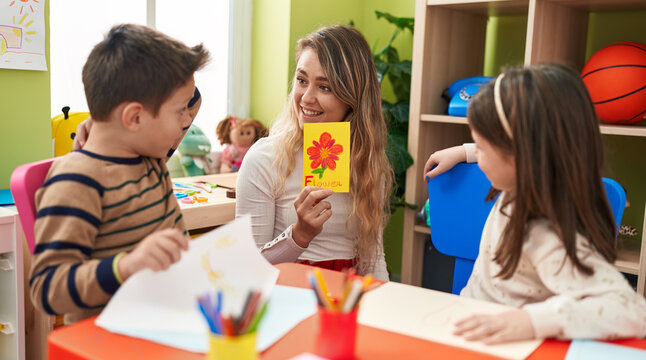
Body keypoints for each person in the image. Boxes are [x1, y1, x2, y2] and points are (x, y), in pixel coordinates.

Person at [423, 64, 646, 343]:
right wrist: (464, 152)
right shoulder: (521, 184)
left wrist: (532, 321)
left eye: (481, 146)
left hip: (508, 346)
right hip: (470, 328)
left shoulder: (545, 229)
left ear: (520, 152)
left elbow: (631, 311)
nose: (477, 157)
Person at [29, 24, 209, 323]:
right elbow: (47, 288)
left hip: (169, 321)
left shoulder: (149, 157)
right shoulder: (77, 181)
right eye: (181, 112)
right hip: (111, 341)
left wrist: (104, 120)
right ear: (135, 117)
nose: (187, 121)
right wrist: (126, 267)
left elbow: (193, 97)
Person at [235, 25, 393, 281]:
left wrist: (384, 310)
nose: (306, 98)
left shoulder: (367, 164)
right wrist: (299, 235)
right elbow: (246, 271)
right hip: (285, 295)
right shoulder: (264, 160)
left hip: (344, 302)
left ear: (353, 98)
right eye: (301, 80)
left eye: (325, 87)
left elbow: (374, 261)